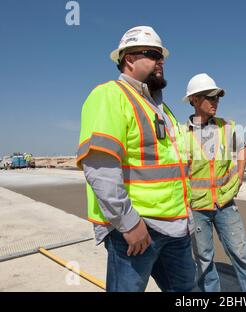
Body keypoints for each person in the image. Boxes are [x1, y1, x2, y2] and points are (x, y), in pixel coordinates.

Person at [76, 26, 196, 292]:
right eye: (152, 54)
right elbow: (100, 167)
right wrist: (129, 223)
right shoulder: (109, 96)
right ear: (128, 58)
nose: (160, 61)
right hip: (138, 230)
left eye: (161, 55)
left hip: (176, 229)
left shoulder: (162, 109)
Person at [183, 73, 246, 292]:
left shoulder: (227, 127)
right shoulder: (182, 134)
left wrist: (240, 175)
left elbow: (243, 147)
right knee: (204, 260)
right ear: (194, 100)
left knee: (240, 253)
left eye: (218, 97)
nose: (216, 101)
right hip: (197, 207)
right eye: (210, 97)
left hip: (225, 203)